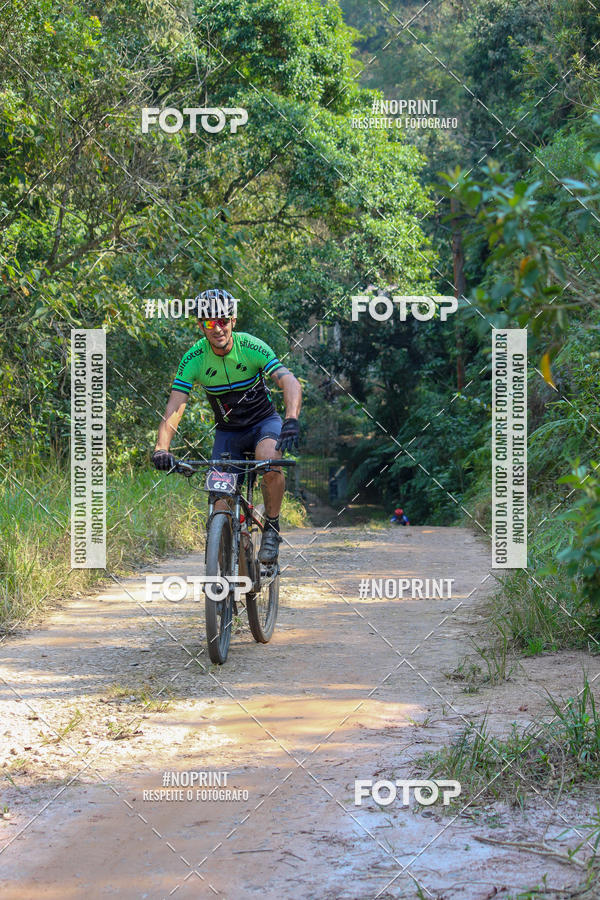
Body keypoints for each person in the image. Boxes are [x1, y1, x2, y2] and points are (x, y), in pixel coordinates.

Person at [152, 289, 302, 563]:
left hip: (263, 424)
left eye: (222, 320)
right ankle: (232, 556)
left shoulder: (252, 347)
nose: (217, 328)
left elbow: (289, 381)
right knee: (220, 503)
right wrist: (162, 448)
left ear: (233, 320)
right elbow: (175, 406)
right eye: (209, 322)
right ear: (200, 325)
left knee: (268, 460)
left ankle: (271, 526)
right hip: (228, 434)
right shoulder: (194, 358)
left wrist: (291, 418)